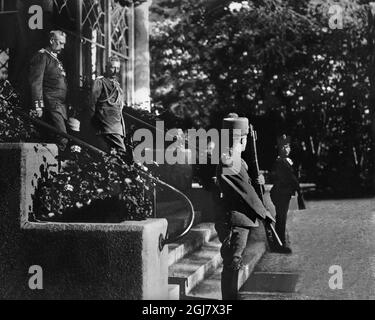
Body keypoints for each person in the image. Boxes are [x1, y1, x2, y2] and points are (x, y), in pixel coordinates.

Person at [215, 116, 275, 300]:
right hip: (234, 220)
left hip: (240, 220)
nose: (246, 142)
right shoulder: (230, 161)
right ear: (241, 139)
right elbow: (246, 192)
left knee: (235, 261)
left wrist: (259, 182)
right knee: (232, 262)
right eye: (245, 138)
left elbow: (249, 186)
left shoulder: (238, 161)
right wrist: (265, 214)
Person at [29, 30, 73, 151]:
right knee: (62, 137)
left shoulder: (56, 60)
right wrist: (38, 106)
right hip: (51, 103)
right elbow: (36, 82)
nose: (63, 46)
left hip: (61, 106)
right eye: (60, 43)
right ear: (51, 40)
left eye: (64, 44)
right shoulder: (42, 56)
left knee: (63, 137)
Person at [270, 134, 300, 254]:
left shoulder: (285, 161)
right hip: (280, 193)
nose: (287, 149)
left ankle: (280, 242)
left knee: (282, 218)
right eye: (284, 147)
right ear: (280, 148)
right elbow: (285, 179)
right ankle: (279, 244)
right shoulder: (280, 162)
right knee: (281, 218)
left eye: (288, 147)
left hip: (284, 193)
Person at [89, 55, 126, 154]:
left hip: (116, 124)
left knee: (114, 153)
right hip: (106, 122)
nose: (115, 71)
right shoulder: (100, 82)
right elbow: (92, 103)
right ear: (106, 68)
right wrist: (93, 122)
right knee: (122, 151)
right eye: (113, 67)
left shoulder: (116, 84)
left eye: (117, 68)